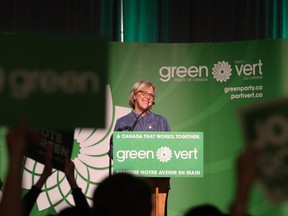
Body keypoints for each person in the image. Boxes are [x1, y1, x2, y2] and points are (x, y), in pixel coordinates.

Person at [113, 80, 171, 215]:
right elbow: (113, 150)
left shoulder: (161, 122)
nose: (148, 97)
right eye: (144, 93)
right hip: (131, 184)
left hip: (157, 183)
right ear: (134, 95)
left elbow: (171, 151)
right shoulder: (122, 122)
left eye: (151, 95)